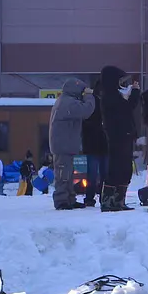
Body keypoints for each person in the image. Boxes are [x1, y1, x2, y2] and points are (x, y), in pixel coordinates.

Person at [49, 77, 96, 210]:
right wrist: (89, 96)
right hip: (63, 145)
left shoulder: (65, 101)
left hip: (64, 144)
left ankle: (69, 199)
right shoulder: (68, 103)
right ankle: (61, 200)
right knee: (63, 174)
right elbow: (87, 110)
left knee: (68, 174)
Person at [98, 66, 140, 212]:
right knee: (117, 168)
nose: (121, 83)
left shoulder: (112, 95)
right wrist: (134, 92)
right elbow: (127, 109)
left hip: (123, 135)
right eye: (119, 80)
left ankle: (118, 201)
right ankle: (110, 201)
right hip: (118, 136)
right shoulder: (110, 96)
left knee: (124, 168)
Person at [81, 74, 110, 208]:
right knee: (102, 173)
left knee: (93, 174)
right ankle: (102, 197)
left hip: (93, 143)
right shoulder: (102, 103)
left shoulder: (91, 102)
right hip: (101, 143)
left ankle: (90, 198)